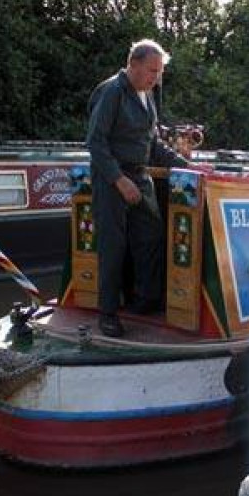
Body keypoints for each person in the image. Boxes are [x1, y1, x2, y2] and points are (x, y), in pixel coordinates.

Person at [86, 39, 191, 337]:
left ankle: (144, 300)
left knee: (151, 236)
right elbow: (96, 142)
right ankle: (107, 314)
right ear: (133, 64)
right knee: (113, 245)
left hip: (140, 176)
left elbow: (153, 144)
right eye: (151, 71)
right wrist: (119, 180)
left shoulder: (147, 96)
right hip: (111, 179)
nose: (155, 78)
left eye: (159, 72)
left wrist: (186, 165)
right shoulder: (111, 92)